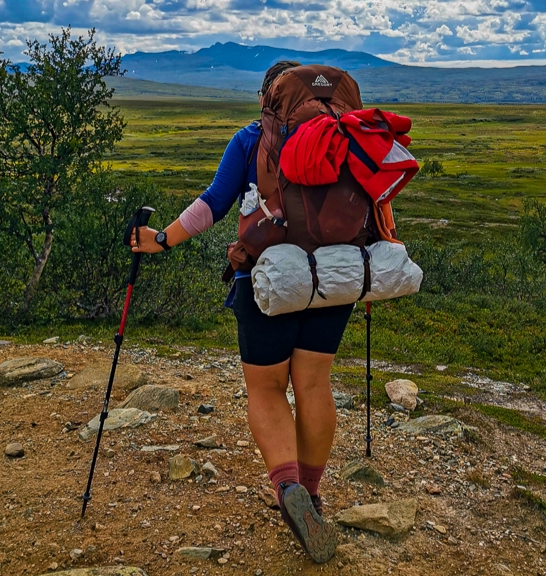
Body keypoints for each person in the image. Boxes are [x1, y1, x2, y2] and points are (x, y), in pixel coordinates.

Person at [131, 61, 350, 563]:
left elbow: (213, 203)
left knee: (268, 388)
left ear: (267, 98)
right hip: (335, 278)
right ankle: (313, 496)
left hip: (269, 280)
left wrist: (162, 239)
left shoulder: (252, 139)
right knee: (314, 384)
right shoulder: (342, 135)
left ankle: (288, 487)